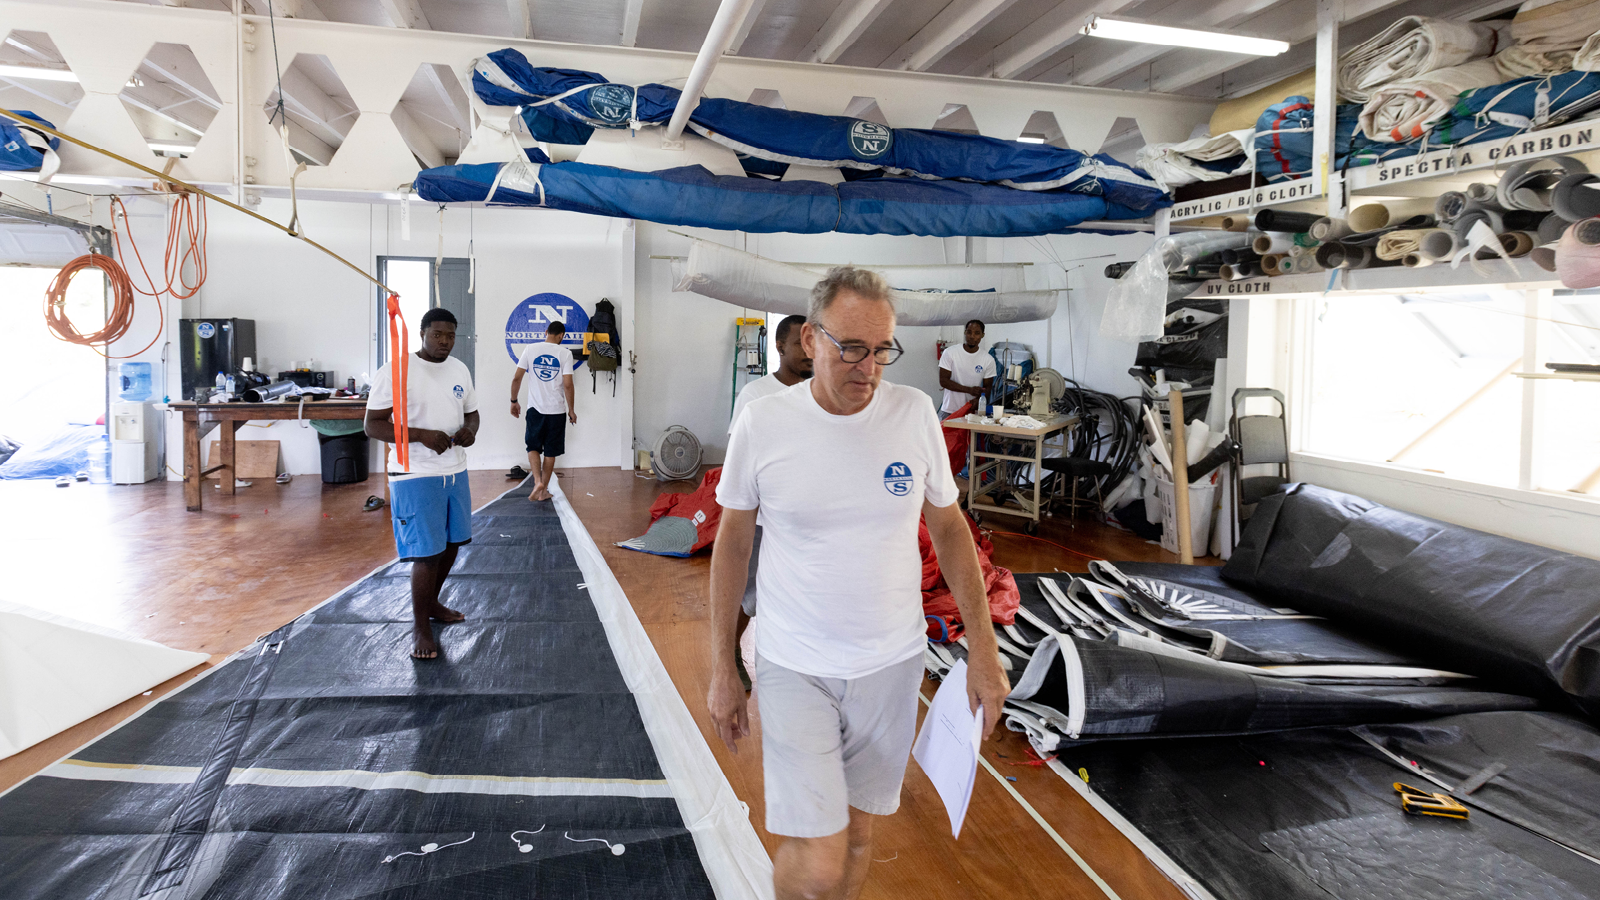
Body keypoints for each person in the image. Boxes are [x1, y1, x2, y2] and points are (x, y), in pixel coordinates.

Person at [707, 268, 1009, 900]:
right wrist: (721, 667)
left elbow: (950, 530)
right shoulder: (763, 423)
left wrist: (984, 649)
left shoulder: (913, 414)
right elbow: (732, 544)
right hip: (795, 662)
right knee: (817, 857)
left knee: (857, 838)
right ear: (810, 339)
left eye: (881, 350)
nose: (868, 368)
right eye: (850, 348)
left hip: (892, 664)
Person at [364, 307, 479, 660]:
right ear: (422, 334)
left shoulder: (459, 369)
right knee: (427, 554)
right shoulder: (396, 370)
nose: (444, 341)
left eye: (450, 336)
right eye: (437, 335)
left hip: (454, 470)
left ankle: (431, 604)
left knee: (452, 544)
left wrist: (469, 431)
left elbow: (472, 413)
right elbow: (373, 425)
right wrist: (420, 435)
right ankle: (420, 627)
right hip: (414, 473)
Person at [726, 314, 812, 692]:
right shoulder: (756, 395)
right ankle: (731, 650)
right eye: (800, 344)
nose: (809, 352)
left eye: (814, 343)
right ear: (779, 346)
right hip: (764, 518)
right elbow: (738, 459)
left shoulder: (823, 395)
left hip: (807, 519)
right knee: (750, 595)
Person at [509, 321, 577, 502]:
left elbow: (516, 378)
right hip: (556, 411)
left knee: (532, 447)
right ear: (561, 335)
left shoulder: (530, 349)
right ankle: (543, 491)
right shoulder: (565, 353)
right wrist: (571, 410)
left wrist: (514, 401)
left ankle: (537, 481)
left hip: (535, 409)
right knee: (550, 452)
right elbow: (568, 385)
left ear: (546, 332)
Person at [938, 319, 996, 418]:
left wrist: (978, 400)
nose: (972, 336)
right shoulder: (950, 352)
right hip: (949, 410)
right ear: (965, 333)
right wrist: (969, 390)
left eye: (977, 333)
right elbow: (943, 381)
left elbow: (987, 388)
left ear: (982, 335)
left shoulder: (988, 359)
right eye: (969, 332)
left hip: (971, 412)